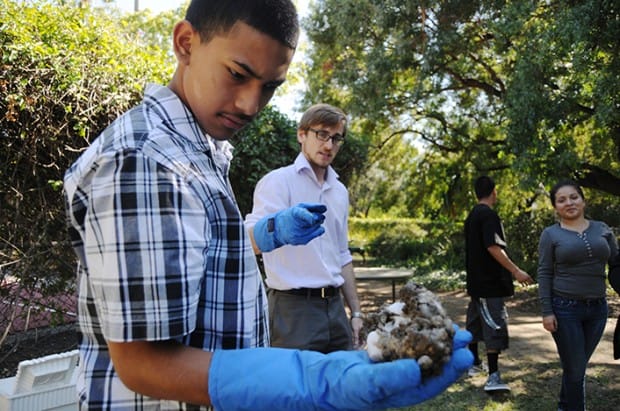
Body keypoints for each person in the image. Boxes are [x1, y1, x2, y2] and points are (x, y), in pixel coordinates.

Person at [63, 1, 473, 410]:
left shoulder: (196, 150)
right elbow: (142, 366)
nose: (250, 105)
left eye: (270, 86)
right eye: (238, 74)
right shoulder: (145, 160)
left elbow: (200, 251)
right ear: (186, 43)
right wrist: (312, 382)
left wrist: (263, 235)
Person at [244, 103, 363, 353]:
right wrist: (276, 230)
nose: (329, 145)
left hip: (335, 308)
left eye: (336, 138)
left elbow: (343, 254)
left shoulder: (339, 191)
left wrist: (356, 312)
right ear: (302, 134)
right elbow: (246, 243)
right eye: (321, 134)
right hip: (292, 310)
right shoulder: (277, 181)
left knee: (340, 388)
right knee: (296, 390)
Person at [537, 179, 618, 411]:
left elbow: (616, 263)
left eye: (574, 197)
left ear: (583, 200)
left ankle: (565, 406)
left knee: (577, 366)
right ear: (555, 207)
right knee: (575, 369)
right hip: (565, 309)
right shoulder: (551, 234)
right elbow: (544, 272)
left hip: (599, 309)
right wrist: (547, 311)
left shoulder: (602, 228)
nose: (569, 203)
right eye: (561, 200)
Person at [464, 175, 534, 393]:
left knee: (475, 323)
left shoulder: (472, 215)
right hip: (489, 283)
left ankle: (474, 364)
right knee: (494, 325)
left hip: (477, 283)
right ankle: (493, 376)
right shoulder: (488, 216)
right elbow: (493, 247)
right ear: (494, 191)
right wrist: (516, 271)